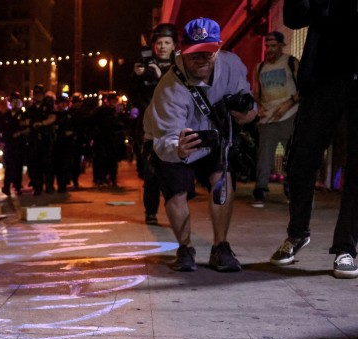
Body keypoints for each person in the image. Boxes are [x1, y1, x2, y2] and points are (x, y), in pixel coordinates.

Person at [144, 17, 257, 273]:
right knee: (177, 190)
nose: (201, 59)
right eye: (195, 54)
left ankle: (221, 247)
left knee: (222, 180)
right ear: (182, 51)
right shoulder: (169, 88)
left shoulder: (232, 65)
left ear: (218, 49)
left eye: (208, 52)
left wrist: (247, 113)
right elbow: (165, 139)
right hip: (172, 138)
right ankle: (185, 248)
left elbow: (247, 103)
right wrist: (178, 149)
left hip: (213, 135)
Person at [269, 0, 358, 278]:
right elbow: (295, 16)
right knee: (301, 162)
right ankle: (297, 234)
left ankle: (346, 247)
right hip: (321, 81)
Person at [132, 22, 178, 224]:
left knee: (175, 173)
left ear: (174, 45)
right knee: (151, 172)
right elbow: (134, 98)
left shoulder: (180, 66)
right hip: (151, 126)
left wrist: (162, 78)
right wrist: (136, 77)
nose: (162, 46)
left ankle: (175, 211)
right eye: (159, 43)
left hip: (175, 125)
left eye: (167, 42)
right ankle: (150, 212)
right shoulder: (146, 65)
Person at [251, 31, 299, 209]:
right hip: (268, 117)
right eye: (267, 46)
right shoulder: (260, 67)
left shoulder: (290, 62)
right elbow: (257, 92)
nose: (269, 49)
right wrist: (259, 107)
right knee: (264, 154)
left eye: (273, 46)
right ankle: (260, 190)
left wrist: (289, 103)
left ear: (281, 45)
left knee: (292, 155)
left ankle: (291, 189)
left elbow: (303, 87)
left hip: (289, 114)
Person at [2, 91, 29, 196]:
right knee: (9, 167)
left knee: (18, 167)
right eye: (13, 101)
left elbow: (27, 129)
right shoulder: (6, 115)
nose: (15, 103)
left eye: (17, 101)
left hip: (20, 144)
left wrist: (20, 133)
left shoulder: (23, 115)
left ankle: (17, 186)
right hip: (9, 145)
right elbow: (3, 130)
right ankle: (6, 186)